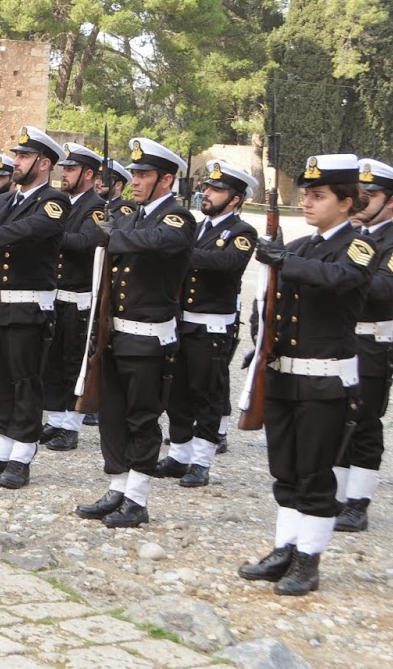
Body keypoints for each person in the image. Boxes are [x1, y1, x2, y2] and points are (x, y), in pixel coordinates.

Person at [238, 154, 374, 596]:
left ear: (347, 202)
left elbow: (337, 279)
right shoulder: (298, 247)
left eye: (319, 196)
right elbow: (267, 306)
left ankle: (308, 560)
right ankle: (284, 548)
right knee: (285, 470)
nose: (308, 203)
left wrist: (283, 261)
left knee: (315, 474)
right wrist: (261, 347)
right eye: (306, 196)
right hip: (284, 378)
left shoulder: (357, 246)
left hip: (324, 382)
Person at [73, 138, 194, 527]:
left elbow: (162, 242)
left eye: (144, 174)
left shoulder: (176, 217)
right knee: (111, 415)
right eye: (136, 174)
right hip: (115, 335)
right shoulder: (132, 216)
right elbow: (102, 237)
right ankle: (119, 487)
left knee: (142, 418)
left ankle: (138, 500)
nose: (136, 180)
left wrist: (115, 234)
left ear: (166, 179)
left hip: (148, 338)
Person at [0, 127, 69, 490]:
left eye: (23, 157)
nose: (15, 162)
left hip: (29, 308)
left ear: (44, 163)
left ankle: (22, 456)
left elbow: (31, 230)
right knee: (0, 380)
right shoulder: (5, 200)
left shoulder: (54, 201)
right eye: (17, 156)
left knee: (25, 382)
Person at [159, 161, 257, 487]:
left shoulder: (242, 233)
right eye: (208, 188)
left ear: (235, 199)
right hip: (181, 322)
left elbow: (227, 262)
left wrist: (180, 252)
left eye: (217, 190)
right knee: (177, 392)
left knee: (207, 393)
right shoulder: (198, 228)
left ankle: (201, 461)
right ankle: (180, 454)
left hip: (211, 327)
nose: (208, 194)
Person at [334, 159, 393, 532]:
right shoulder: (345, 235)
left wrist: (336, 277)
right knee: (334, 420)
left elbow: (386, 290)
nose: (361, 201)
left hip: (371, 343)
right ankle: (335, 495)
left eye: (370, 196)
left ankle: (358, 502)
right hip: (336, 340)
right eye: (359, 194)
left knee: (364, 422)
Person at [39, 142, 107, 453]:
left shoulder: (95, 208)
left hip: (78, 298)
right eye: (64, 168)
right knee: (51, 363)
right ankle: (56, 419)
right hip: (56, 294)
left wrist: (49, 233)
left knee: (72, 364)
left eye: (71, 169)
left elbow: (84, 243)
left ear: (89, 174)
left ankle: (72, 426)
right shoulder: (64, 203)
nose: (64, 173)